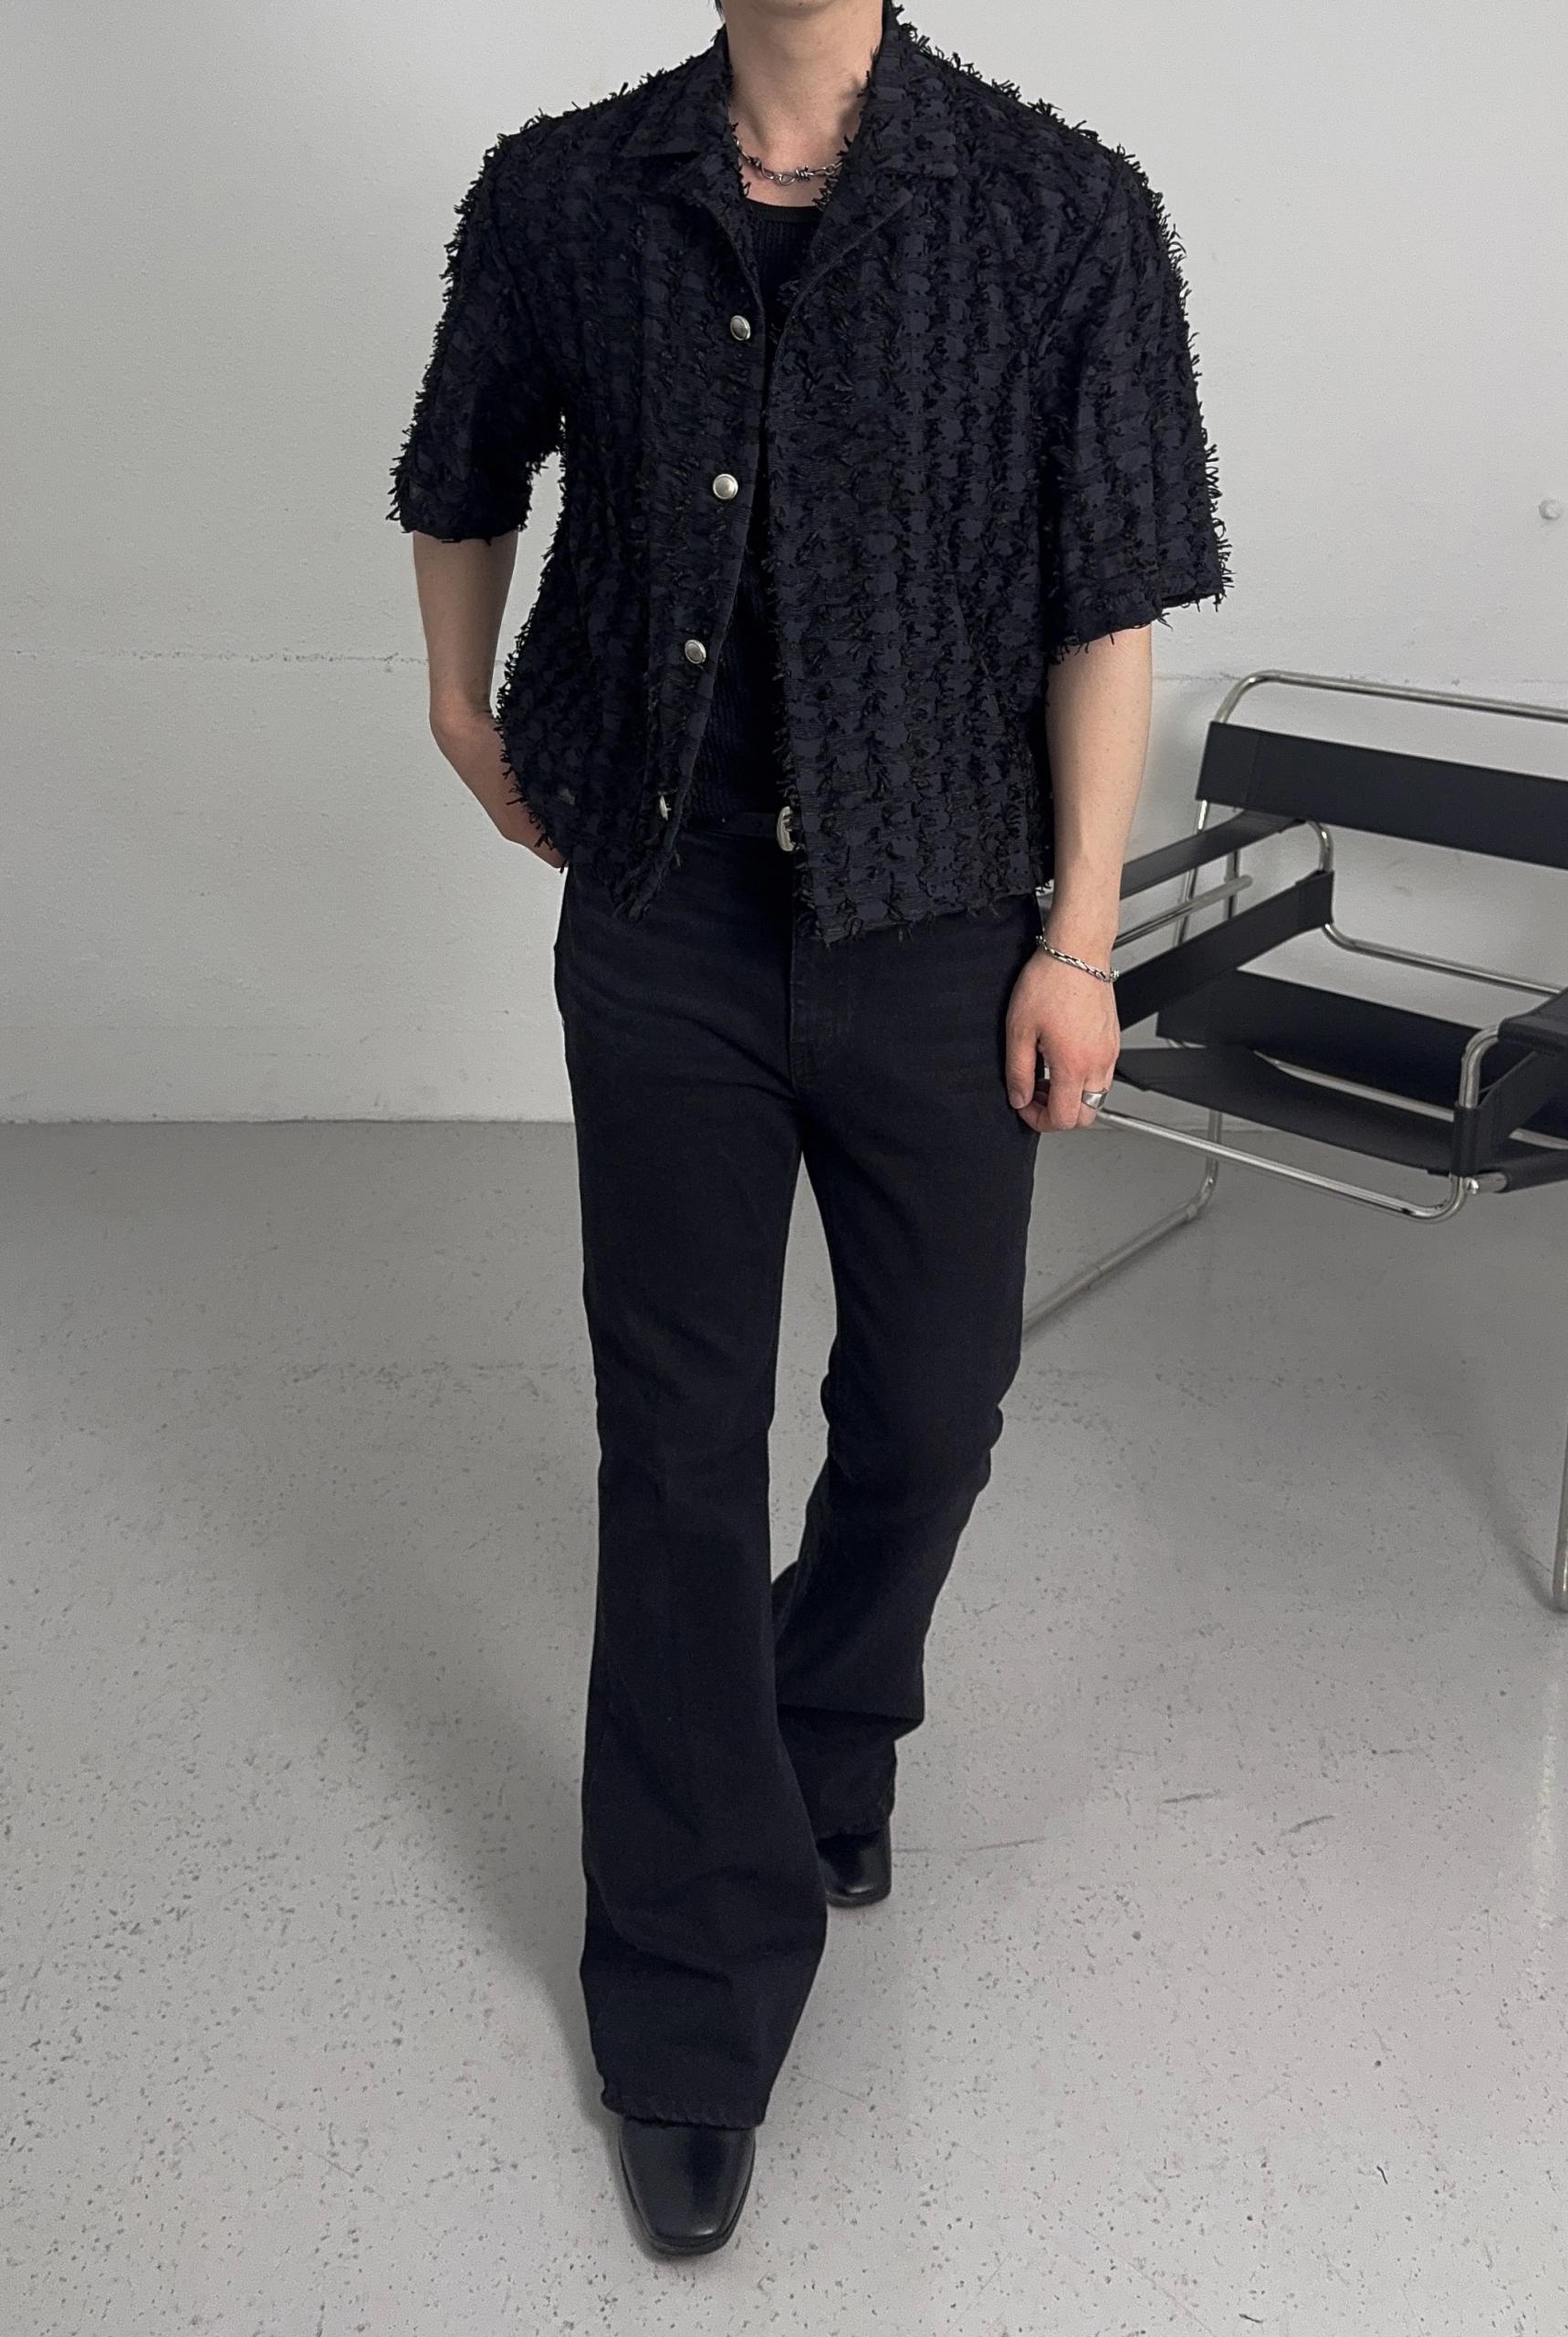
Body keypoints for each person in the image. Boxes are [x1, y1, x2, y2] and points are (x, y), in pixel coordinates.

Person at [389, 0, 1228, 2257]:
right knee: (676, 1444)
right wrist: (459, 699)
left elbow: (1108, 599)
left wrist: (1077, 939)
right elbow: (462, 466)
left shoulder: (1060, 212)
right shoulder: (568, 191)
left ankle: (825, 1721)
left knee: (935, 1405)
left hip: (944, 917)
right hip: (663, 918)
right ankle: (687, 1999)